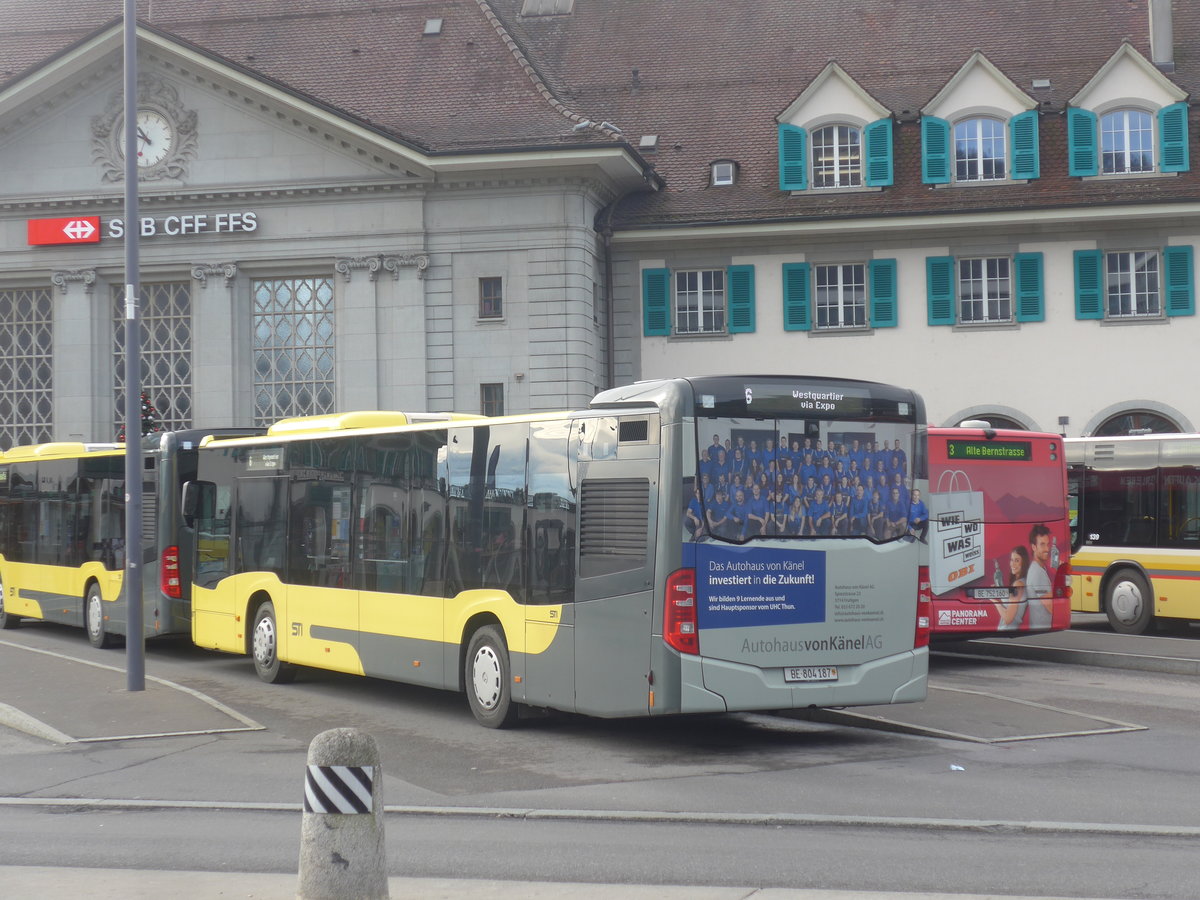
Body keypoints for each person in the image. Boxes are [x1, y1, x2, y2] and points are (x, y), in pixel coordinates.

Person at [1025, 523, 1055, 629]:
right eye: (1042, 544)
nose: (1047, 549)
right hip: (1042, 629)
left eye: (1048, 544)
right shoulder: (1038, 572)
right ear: (1034, 547)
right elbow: (1051, 607)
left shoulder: (1038, 568)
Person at [998, 545, 1029, 631]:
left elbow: (1008, 619)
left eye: (1017, 560)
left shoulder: (1018, 584)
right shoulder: (1022, 581)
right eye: (1012, 560)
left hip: (1006, 628)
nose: (1013, 564)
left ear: (1024, 562)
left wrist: (995, 601)